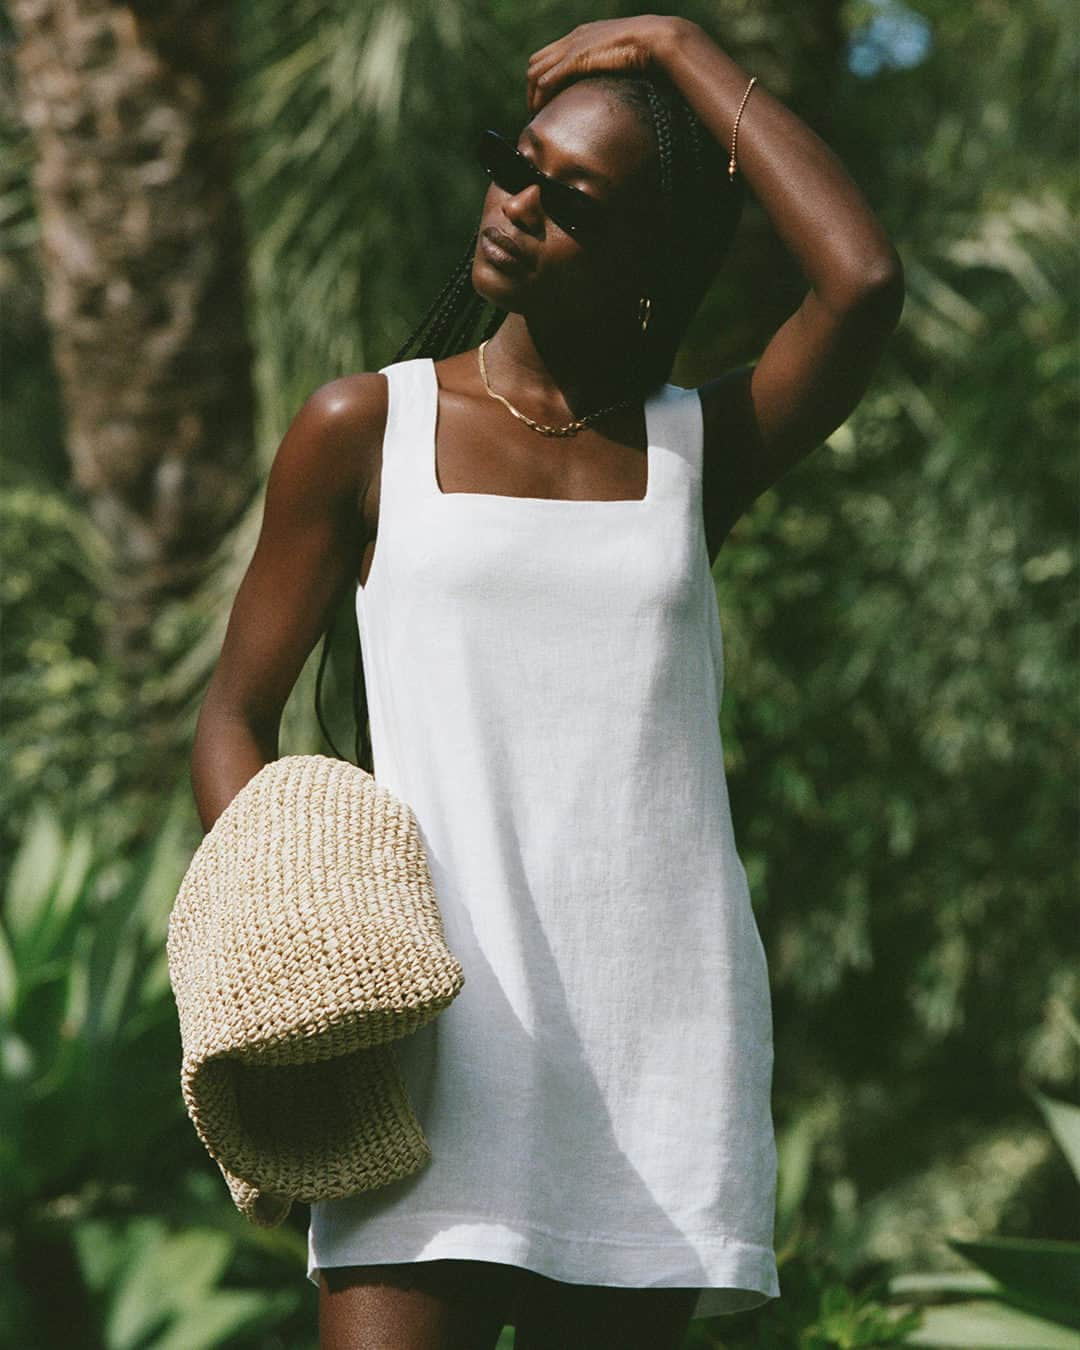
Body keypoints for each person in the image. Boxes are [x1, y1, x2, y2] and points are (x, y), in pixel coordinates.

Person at [190, 15, 904, 1350]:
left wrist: (685, 52)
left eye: (571, 201)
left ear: (648, 258)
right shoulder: (365, 428)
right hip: (429, 1040)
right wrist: (284, 910)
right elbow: (234, 712)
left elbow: (860, 281)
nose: (515, 207)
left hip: (654, 1043)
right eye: (512, 167)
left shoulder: (699, 452)